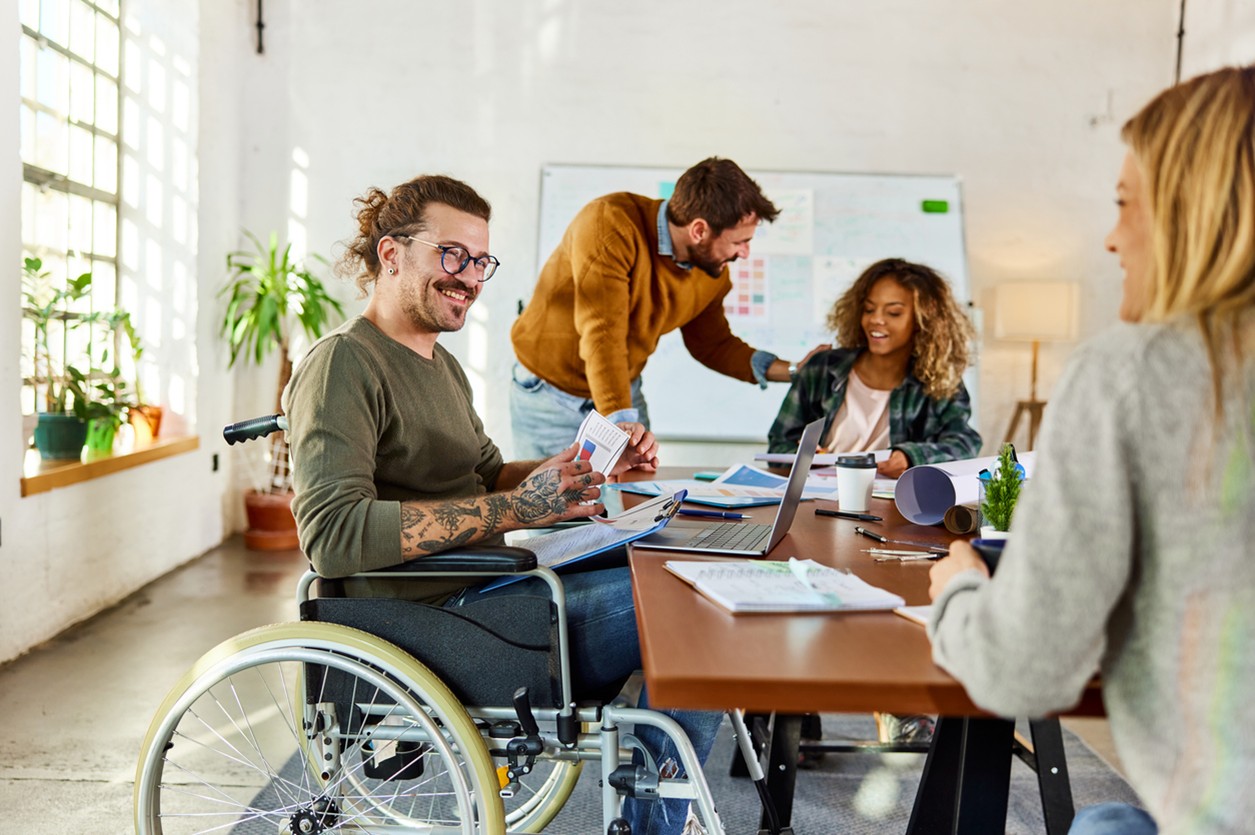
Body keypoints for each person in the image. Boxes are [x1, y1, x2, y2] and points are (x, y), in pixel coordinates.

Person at [282, 174, 722, 835]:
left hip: (495, 590)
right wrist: (518, 508)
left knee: (678, 564)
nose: (469, 277)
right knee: (688, 608)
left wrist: (574, 469)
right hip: (437, 623)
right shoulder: (343, 364)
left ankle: (656, 810)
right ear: (391, 253)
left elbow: (489, 475)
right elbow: (334, 535)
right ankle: (657, 822)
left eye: (479, 260)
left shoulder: (441, 365)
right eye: (450, 254)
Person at [928, 64, 1255, 835]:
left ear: (1191, 210)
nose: (1110, 238)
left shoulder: (1135, 371)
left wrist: (959, 587)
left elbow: (1023, 667)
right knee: (1108, 818)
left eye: (1122, 205)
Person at [510, 156, 828, 458]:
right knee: (554, 509)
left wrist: (794, 371)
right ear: (699, 230)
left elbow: (714, 344)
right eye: (739, 241)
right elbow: (603, 331)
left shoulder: (711, 270)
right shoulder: (610, 224)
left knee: (633, 509)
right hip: (551, 396)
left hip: (622, 389)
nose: (745, 253)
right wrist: (620, 421)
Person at [767, 257, 981, 479]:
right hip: (817, 500)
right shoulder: (821, 368)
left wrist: (911, 457)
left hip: (894, 506)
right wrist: (809, 458)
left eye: (893, 313)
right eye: (869, 309)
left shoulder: (940, 379)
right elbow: (778, 447)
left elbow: (965, 444)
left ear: (923, 318)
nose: (876, 320)